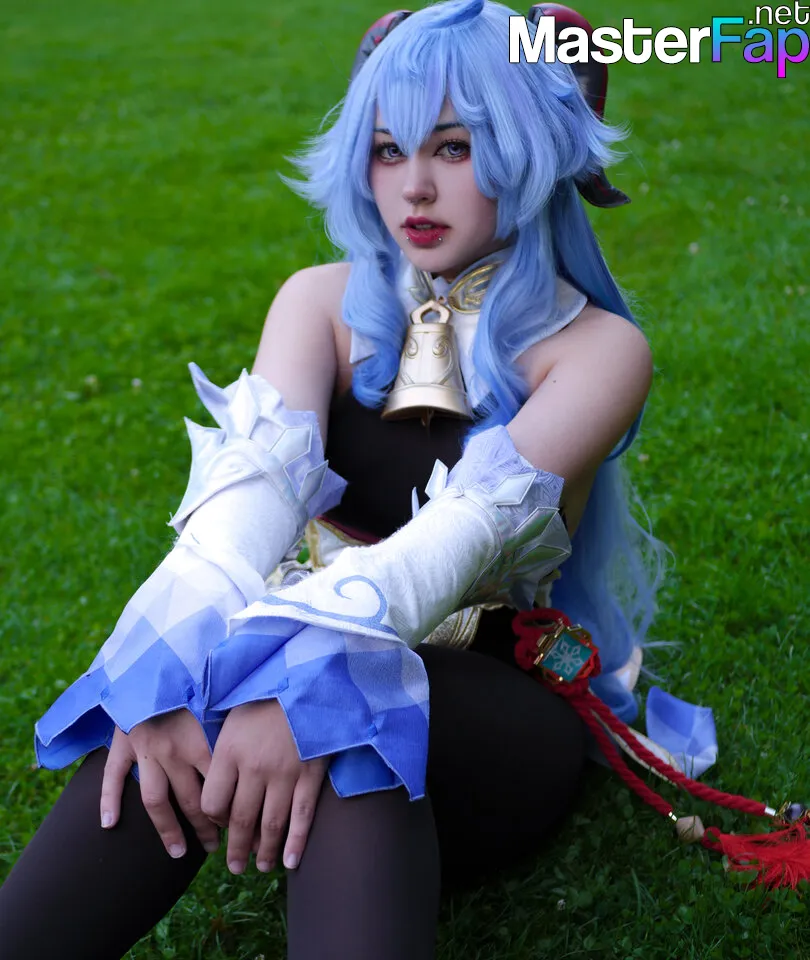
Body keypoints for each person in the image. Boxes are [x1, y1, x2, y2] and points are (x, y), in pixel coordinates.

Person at [0, 1, 689, 956]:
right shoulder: (317, 301)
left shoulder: (597, 349)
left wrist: (297, 689)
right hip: (287, 665)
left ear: (527, 148)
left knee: (349, 719)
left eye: (454, 148)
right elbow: (242, 517)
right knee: (184, 678)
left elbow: (453, 545)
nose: (414, 187)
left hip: (487, 722)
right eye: (387, 150)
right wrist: (163, 673)